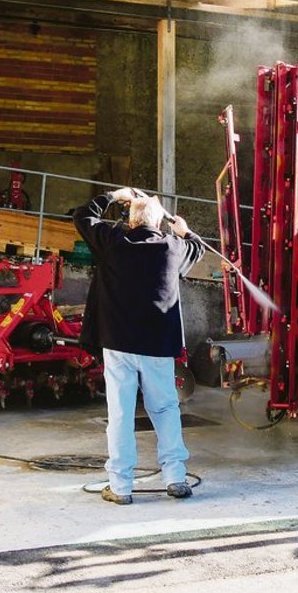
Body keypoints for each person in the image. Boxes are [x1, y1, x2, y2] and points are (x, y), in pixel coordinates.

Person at [73, 186, 204, 504]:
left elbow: (82, 216)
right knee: (165, 409)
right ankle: (175, 478)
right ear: (159, 224)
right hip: (157, 347)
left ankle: (120, 487)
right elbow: (196, 248)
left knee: (120, 414)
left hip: (118, 345)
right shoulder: (172, 248)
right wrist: (184, 230)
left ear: (130, 221)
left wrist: (113, 196)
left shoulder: (112, 242)